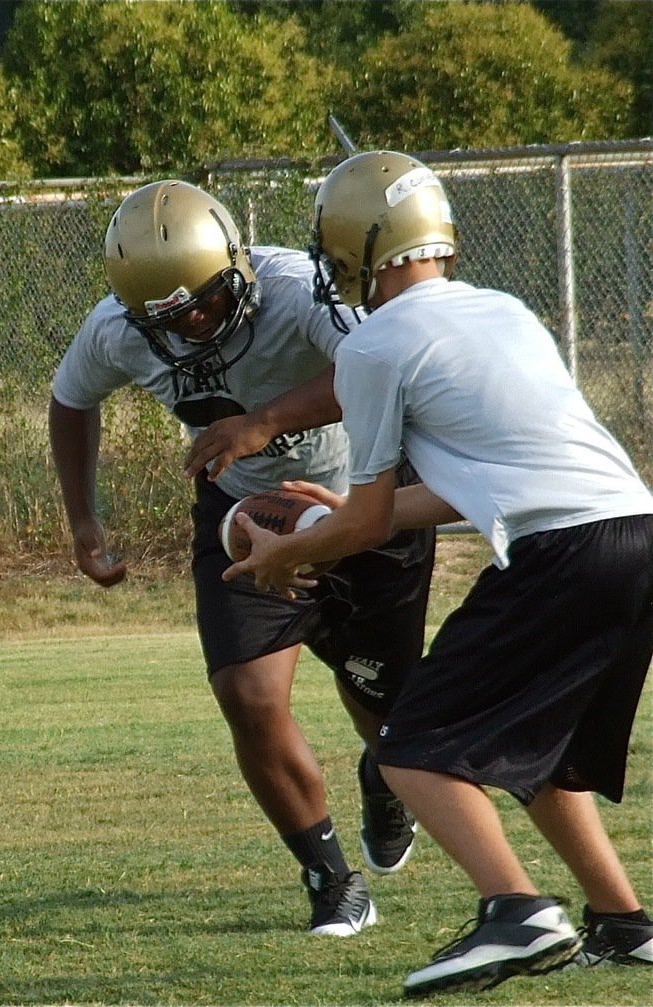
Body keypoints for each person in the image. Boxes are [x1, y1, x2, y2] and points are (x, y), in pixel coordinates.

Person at [225, 149, 653, 996]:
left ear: (350, 246)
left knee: (411, 746)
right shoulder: (504, 310)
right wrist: (338, 511)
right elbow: (481, 481)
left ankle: (516, 911)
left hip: (563, 550)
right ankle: (626, 923)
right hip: (634, 533)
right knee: (541, 758)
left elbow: (370, 521)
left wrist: (287, 547)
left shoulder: (377, 341)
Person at [48, 179, 436, 936]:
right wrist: (83, 519)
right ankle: (330, 877)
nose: (194, 321)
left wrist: (263, 421)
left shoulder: (296, 289)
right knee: (247, 695)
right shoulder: (115, 330)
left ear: (237, 267)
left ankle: (382, 775)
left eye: (205, 300)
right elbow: (71, 399)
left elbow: (376, 370)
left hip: (364, 502)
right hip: (249, 515)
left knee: (389, 715)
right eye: (169, 315)